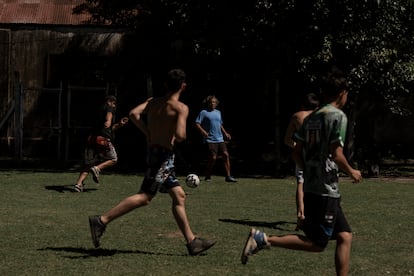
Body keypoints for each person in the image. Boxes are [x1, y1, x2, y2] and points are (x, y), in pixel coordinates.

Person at [241, 66, 362, 276]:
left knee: (344, 235)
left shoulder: (312, 118)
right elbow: (337, 154)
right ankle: (263, 239)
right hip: (325, 191)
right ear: (342, 92)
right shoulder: (338, 117)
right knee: (318, 244)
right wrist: (352, 171)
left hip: (313, 187)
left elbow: (295, 153)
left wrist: (310, 169)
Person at [88, 69, 216, 256]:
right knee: (145, 197)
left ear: (165, 85)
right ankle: (102, 220)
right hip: (164, 157)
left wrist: (148, 131)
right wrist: (173, 132)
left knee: (179, 195)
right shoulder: (181, 108)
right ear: (183, 86)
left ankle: (192, 242)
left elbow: (133, 114)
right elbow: (181, 135)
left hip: (155, 153)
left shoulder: (153, 102)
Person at [74, 95, 128, 192]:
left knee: (88, 164)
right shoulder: (109, 107)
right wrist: (108, 121)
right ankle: (97, 168)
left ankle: (78, 185)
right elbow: (108, 120)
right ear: (109, 101)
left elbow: (110, 129)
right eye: (114, 103)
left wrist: (120, 124)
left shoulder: (98, 112)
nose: (115, 106)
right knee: (113, 159)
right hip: (102, 140)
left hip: (92, 139)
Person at [283, 92, 319, 230]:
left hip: (302, 154)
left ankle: (301, 214)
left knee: (300, 183)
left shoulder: (297, 116)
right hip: (318, 155)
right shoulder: (321, 116)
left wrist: (297, 147)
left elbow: (287, 140)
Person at [195, 95, 237, 182]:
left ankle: (228, 176)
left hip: (220, 138)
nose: (212, 103)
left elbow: (220, 124)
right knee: (213, 158)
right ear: (208, 103)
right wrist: (202, 131)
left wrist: (225, 133)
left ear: (216, 103)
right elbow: (197, 123)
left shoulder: (218, 112)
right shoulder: (203, 112)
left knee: (226, 155)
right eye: (210, 102)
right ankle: (207, 175)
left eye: (214, 102)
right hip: (210, 139)